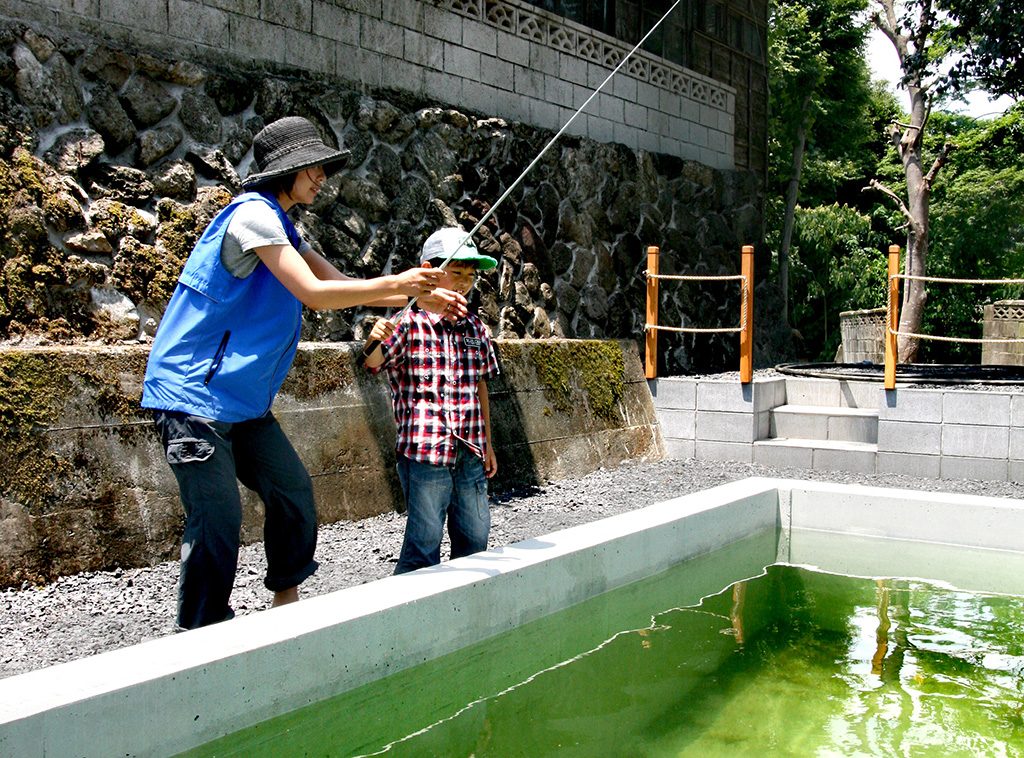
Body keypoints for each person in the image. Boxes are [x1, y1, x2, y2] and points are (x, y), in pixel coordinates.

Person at [142, 116, 466, 629]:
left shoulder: (289, 226)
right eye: (313, 168)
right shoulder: (252, 217)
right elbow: (314, 294)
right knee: (217, 523)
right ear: (286, 171)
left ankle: (284, 608)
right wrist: (403, 283)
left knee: (292, 493)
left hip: (242, 403)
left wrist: (418, 294)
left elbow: (342, 286)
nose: (321, 178)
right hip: (192, 397)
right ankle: (198, 638)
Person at [363, 227, 500, 573]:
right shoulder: (407, 322)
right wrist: (375, 337)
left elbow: (480, 383)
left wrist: (488, 443)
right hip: (425, 451)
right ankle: (406, 614)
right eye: (456, 273)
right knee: (423, 543)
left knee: (475, 538)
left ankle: (463, 609)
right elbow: (373, 362)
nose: (464, 283)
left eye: (470, 276)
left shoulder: (476, 328)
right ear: (428, 271)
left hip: (470, 448)